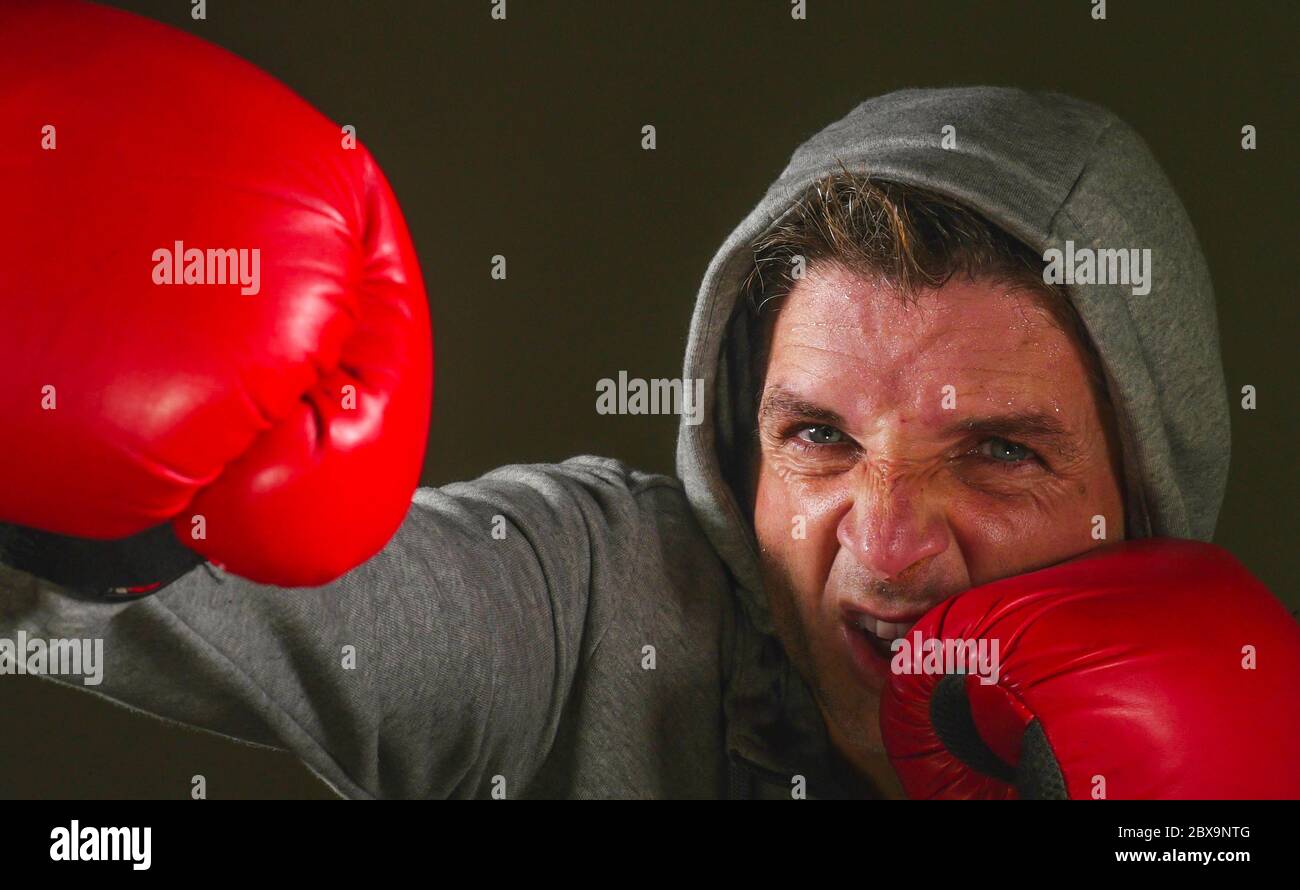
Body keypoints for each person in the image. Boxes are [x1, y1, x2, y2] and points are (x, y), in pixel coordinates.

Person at [3, 4, 1297, 801]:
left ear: (1144, 491)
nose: (887, 544)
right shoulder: (601, 615)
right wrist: (81, 488)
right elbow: (247, 611)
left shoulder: (1233, 769)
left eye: (1000, 452)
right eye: (819, 438)